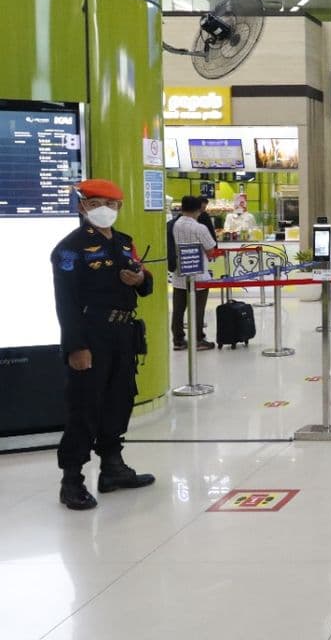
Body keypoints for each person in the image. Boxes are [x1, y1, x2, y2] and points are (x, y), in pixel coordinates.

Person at [50, 179, 156, 511]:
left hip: (123, 334)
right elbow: (65, 302)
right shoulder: (70, 248)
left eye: (111, 205)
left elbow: (145, 283)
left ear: (120, 208)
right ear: (82, 207)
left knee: (119, 399)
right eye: (96, 204)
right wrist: (75, 347)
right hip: (91, 334)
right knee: (85, 406)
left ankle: (113, 467)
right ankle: (72, 480)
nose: (104, 211)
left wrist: (140, 279)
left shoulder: (125, 243)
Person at [170, 196, 219, 351]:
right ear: (199, 209)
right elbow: (211, 250)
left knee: (178, 308)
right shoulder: (200, 228)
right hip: (199, 275)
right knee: (198, 308)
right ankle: (198, 339)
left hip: (179, 273)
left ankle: (178, 340)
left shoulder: (174, 225)